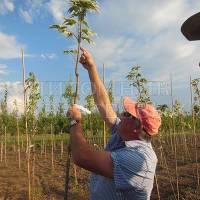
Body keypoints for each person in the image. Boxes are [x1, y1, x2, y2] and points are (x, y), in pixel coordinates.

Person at [67, 48, 161, 200]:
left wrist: (75, 121)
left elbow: (82, 156)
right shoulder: (126, 136)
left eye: (126, 114)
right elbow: (104, 104)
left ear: (137, 127)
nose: (121, 115)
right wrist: (91, 68)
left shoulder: (139, 159)